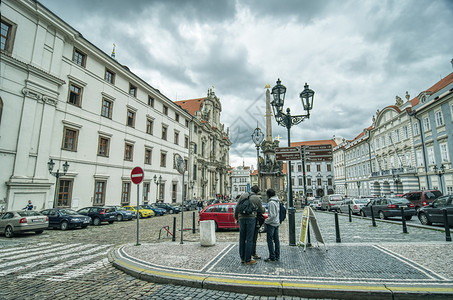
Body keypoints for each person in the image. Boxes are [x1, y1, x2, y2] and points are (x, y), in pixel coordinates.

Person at [234, 185, 264, 265]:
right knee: (249, 239)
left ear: (250, 189)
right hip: (251, 218)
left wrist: (236, 217)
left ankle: (242, 258)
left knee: (242, 238)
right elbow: (261, 210)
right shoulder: (257, 198)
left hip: (241, 218)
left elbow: (237, 207)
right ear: (257, 192)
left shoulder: (243, 195)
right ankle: (248, 259)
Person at [264, 189, 280, 262]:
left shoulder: (271, 203)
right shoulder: (277, 201)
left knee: (270, 240)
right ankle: (277, 255)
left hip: (272, 224)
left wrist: (266, 221)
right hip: (277, 222)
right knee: (276, 240)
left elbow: (272, 215)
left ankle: (272, 256)